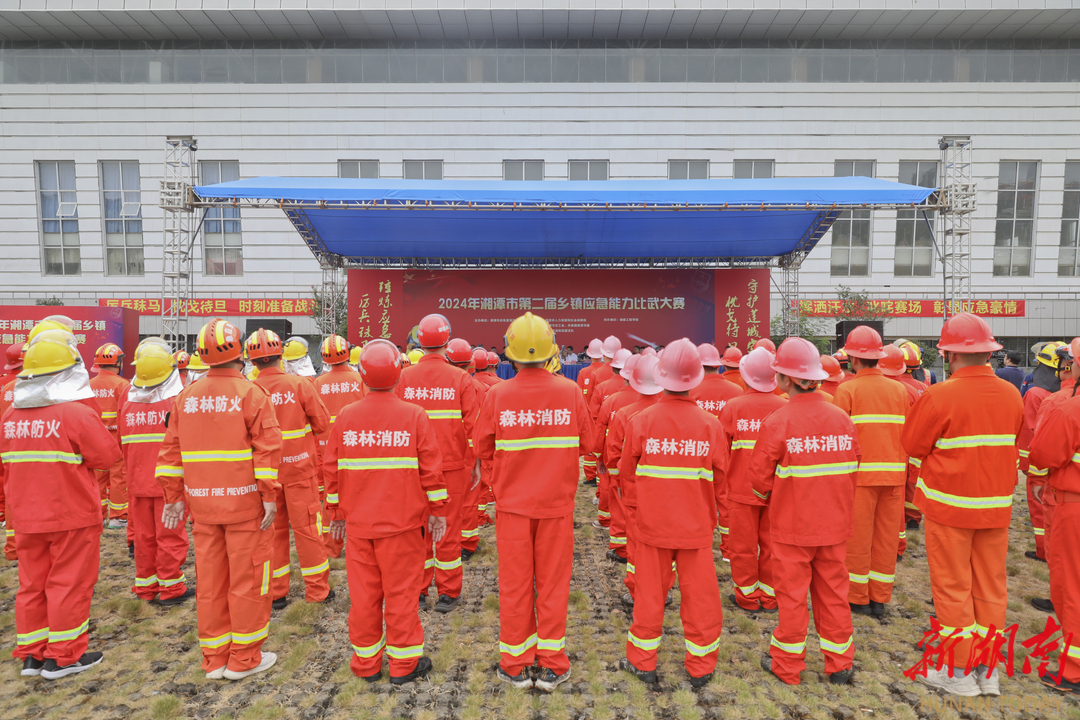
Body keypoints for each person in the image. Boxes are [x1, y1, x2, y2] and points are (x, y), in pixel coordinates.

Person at [901, 313, 1023, 697]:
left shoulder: (939, 395)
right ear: (989, 353)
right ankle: (987, 671)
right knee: (990, 588)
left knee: (953, 588)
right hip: (996, 507)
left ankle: (956, 672)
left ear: (949, 354)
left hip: (950, 508)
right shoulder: (1011, 394)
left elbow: (912, 445)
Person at [156, 318, 282, 681]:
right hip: (246, 508)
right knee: (249, 580)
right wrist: (269, 496)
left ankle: (214, 659)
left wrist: (173, 497)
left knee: (210, 584)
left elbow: (171, 452)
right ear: (240, 353)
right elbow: (268, 449)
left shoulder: (186, 396)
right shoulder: (251, 394)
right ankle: (244, 658)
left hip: (203, 508)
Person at [474, 312, 593, 691]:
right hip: (556, 508)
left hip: (512, 509)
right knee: (554, 585)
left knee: (514, 585)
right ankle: (553, 664)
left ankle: (514, 664)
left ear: (508, 355)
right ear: (551, 353)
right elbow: (590, 444)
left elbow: (482, 446)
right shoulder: (570, 392)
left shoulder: (497, 395)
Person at [324, 339, 448, 684]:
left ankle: (366, 665)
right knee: (402, 595)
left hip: (360, 527)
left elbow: (330, 469)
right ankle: (404, 665)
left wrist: (334, 513)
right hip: (404, 527)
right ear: (399, 375)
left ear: (361, 375)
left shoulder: (347, 416)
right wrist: (438, 509)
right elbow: (431, 470)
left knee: (364, 598)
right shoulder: (414, 416)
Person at [2, 328, 122, 679]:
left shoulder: (9, 418)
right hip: (70, 515)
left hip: (24, 517)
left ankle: (32, 655)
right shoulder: (75, 415)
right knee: (69, 583)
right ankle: (65, 656)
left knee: (31, 585)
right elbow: (108, 457)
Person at [749, 338, 860, 687]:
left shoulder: (778, 421)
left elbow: (758, 481)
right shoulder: (841, 418)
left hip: (792, 529)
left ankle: (787, 667)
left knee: (792, 599)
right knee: (834, 595)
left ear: (783, 379)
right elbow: (854, 465)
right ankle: (840, 665)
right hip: (834, 525)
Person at [619, 339, 725, 687]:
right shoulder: (711, 425)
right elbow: (721, 480)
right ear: (696, 379)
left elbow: (626, 474)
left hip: (652, 526)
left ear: (660, 376)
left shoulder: (641, 421)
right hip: (695, 527)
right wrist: (716, 516)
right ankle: (701, 667)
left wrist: (638, 511)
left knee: (649, 597)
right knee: (701, 599)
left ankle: (643, 662)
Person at [396, 315, 478, 614]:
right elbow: (474, 429)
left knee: (418, 531)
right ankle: (448, 592)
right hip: (452, 468)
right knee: (449, 529)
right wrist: (476, 463)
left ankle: (417, 590)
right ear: (447, 341)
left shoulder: (404, 377)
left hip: (414, 468)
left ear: (419, 342)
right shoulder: (461, 379)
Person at [249, 328, 334, 608]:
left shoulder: (249, 390)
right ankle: (317, 591)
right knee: (308, 531)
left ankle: (277, 594)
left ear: (252, 361)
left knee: (273, 532)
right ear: (280, 355)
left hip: (264, 476)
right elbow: (322, 424)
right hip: (299, 471)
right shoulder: (299, 385)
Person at [832, 326, 909, 619]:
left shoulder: (847, 389)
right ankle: (879, 598)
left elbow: (842, 440)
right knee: (886, 539)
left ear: (852, 357)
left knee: (859, 540)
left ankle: (857, 598)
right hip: (894, 477)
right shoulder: (899, 389)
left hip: (861, 478)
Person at [119, 341, 194, 606]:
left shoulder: (127, 400)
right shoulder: (178, 400)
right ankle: (171, 587)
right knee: (170, 536)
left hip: (137, 482)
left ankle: (146, 586)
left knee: (143, 537)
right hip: (167, 483)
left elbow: (121, 441)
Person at [1029, 339, 1080, 695]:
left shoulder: (1067, 409)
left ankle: (1074, 670)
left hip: (1073, 505)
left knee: (1072, 586)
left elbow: (1045, 455)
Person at [719, 347, 787, 613]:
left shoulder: (733, 407)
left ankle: (747, 597)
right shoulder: (784, 407)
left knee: (742, 547)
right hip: (777, 491)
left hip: (740, 490)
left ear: (744, 377)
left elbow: (721, 453)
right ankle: (770, 597)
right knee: (773, 546)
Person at [606, 355, 664, 602]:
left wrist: (618, 483)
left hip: (633, 491)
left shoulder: (624, 414)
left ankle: (637, 589)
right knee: (662, 542)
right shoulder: (667, 413)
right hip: (664, 491)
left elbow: (614, 455)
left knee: (636, 541)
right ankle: (663, 588)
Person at [312, 335, 366, 559]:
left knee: (329, 498)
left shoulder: (317, 384)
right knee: (358, 494)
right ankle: (358, 541)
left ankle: (331, 547)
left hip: (326, 449)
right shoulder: (359, 380)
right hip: (356, 447)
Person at [691, 343, 744, 557]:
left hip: (698, 454)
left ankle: (698, 543)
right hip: (727, 455)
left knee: (697, 499)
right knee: (725, 501)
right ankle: (728, 549)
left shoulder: (692, 391)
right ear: (717, 364)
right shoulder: (737, 391)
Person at [1018, 342, 1065, 563]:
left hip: (1040, 465)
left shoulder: (1036, 394)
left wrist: (1029, 469)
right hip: (1064, 467)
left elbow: (1029, 432)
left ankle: (1043, 551)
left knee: (1040, 509)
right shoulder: (1068, 394)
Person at [445, 338, 488, 561]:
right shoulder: (477, 387)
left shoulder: (443, 382)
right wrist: (478, 459)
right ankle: (468, 543)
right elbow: (476, 424)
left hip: (440, 450)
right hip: (467, 450)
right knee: (469, 500)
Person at [595, 355, 640, 547]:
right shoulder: (658, 403)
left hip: (618, 459)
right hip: (649, 464)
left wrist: (599, 456)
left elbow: (599, 431)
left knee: (618, 501)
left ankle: (621, 546)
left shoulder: (611, 400)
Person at [90, 343, 132, 534]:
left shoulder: (88, 385)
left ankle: (97, 515)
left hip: (94, 439)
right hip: (116, 439)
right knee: (118, 477)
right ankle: (118, 516)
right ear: (118, 363)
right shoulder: (123, 385)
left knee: (97, 478)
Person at [577, 338, 615, 488]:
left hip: (593, 414)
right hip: (615, 416)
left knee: (592, 444)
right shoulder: (619, 373)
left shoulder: (585, 372)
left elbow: (582, 395)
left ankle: (592, 474)